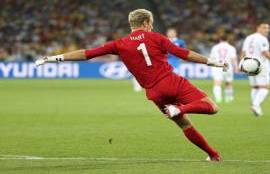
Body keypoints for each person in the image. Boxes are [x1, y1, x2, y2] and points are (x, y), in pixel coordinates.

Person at [35, 9, 227, 161]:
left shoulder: (120, 44)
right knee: (212, 107)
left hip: (154, 93)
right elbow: (183, 54)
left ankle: (213, 154)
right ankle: (181, 109)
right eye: (150, 23)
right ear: (145, 23)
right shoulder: (157, 38)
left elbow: (87, 53)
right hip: (171, 81)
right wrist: (213, 62)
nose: (151, 26)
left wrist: (56, 58)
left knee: (184, 124)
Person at [241, 23, 270, 116]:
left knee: (255, 87)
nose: (266, 30)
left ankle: (255, 106)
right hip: (259, 63)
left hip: (248, 63)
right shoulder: (262, 38)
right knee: (264, 87)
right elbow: (264, 52)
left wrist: (242, 64)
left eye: (267, 28)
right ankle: (255, 105)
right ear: (258, 28)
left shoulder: (248, 38)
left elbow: (243, 52)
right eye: (264, 28)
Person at [210, 35, 239, 103]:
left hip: (217, 66)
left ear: (220, 39)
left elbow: (211, 58)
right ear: (227, 40)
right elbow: (233, 58)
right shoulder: (231, 47)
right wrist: (236, 67)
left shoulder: (215, 47)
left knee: (217, 83)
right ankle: (228, 98)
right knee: (228, 83)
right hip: (226, 66)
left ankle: (218, 99)